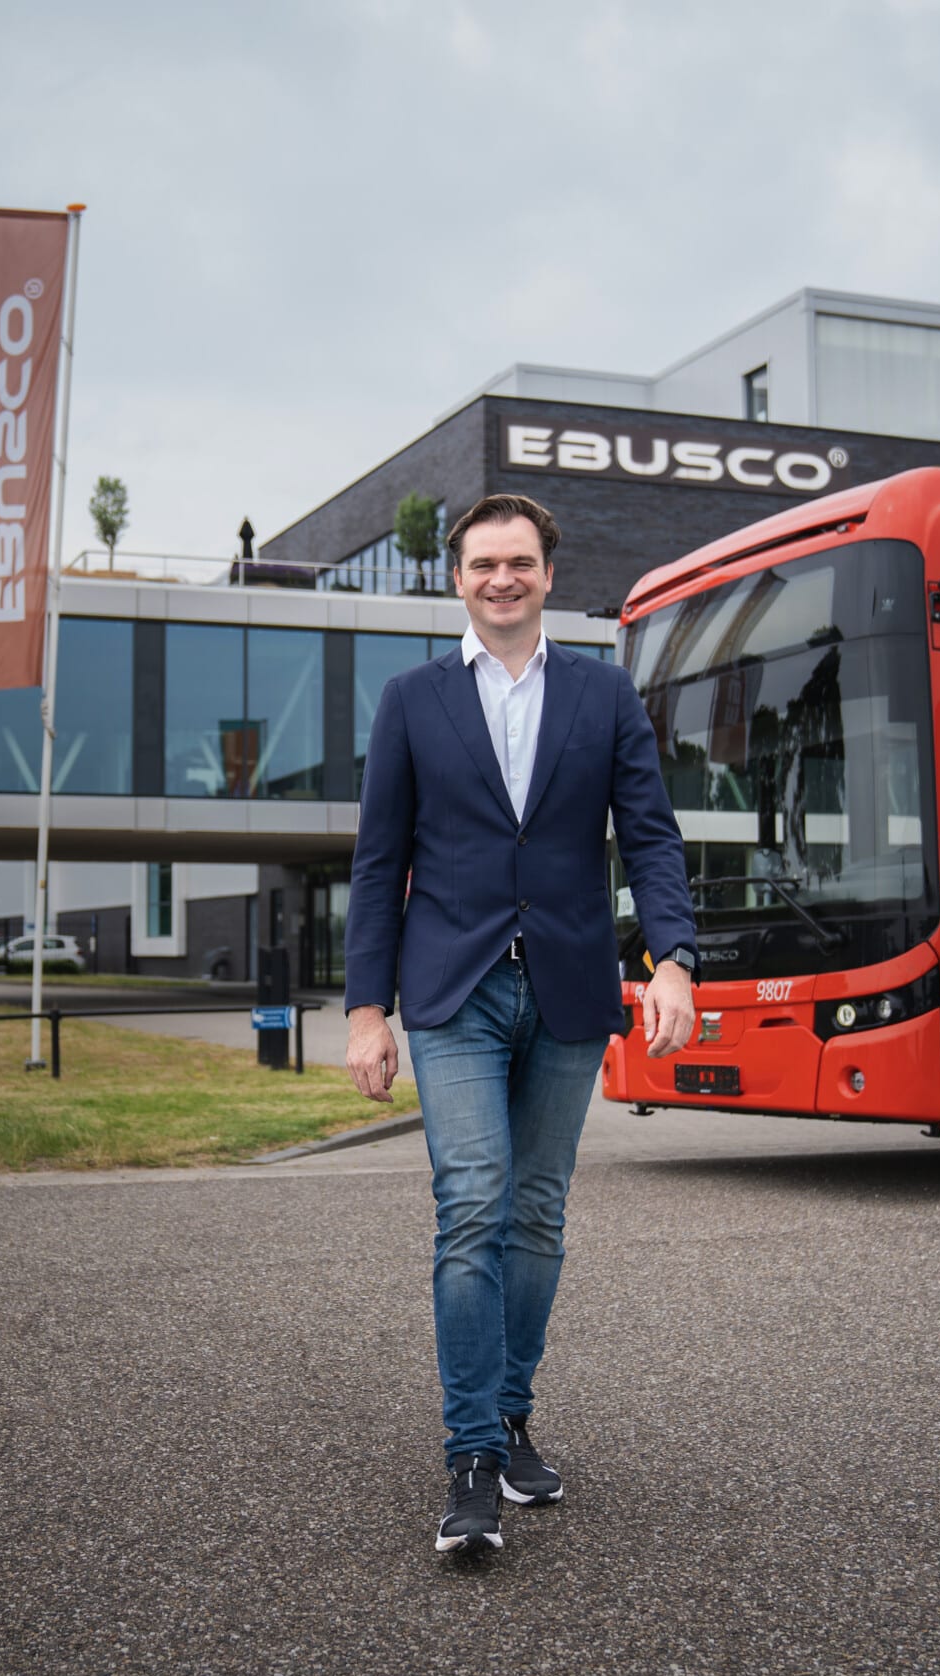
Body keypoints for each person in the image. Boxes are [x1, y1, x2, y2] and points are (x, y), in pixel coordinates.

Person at [343, 493, 699, 1557]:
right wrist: (368, 1010)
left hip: (568, 990)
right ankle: (469, 1459)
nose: (501, 578)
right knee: (473, 1206)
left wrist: (672, 958)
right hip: (451, 990)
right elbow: (375, 866)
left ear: (549, 576)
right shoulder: (411, 701)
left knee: (536, 1215)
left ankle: (508, 1410)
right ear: (456, 579)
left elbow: (650, 834)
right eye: (483, 563)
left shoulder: (603, 696)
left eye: (521, 563)